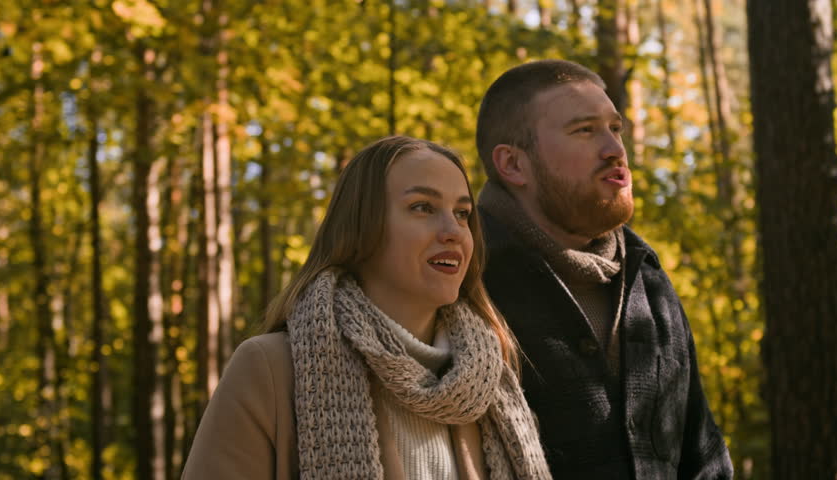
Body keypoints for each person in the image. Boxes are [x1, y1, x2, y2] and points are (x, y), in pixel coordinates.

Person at [182, 136, 552, 480]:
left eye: (461, 213)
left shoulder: (487, 379)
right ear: (361, 229)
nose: (453, 231)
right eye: (422, 207)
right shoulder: (270, 369)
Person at [474, 60, 733, 478]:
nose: (615, 149)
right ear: (513, 165)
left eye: (616, 128)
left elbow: (702, 459)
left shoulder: (649, 282)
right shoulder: (463, 279)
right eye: (584, 130)